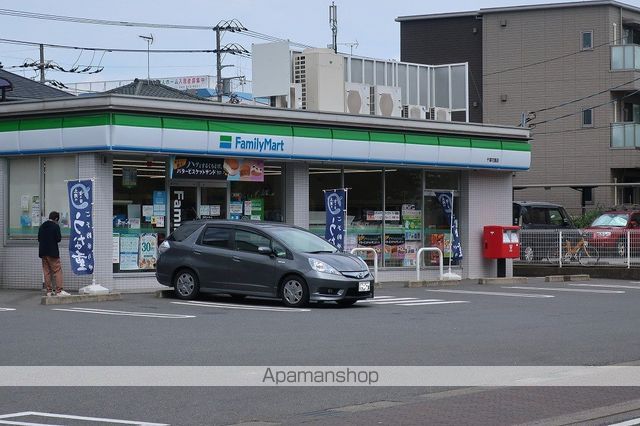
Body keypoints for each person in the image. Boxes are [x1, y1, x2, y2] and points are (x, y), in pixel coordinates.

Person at [38, 211, 69, 296]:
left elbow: (39, 239)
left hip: (43, 252)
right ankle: (59, 291)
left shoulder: (42, 226)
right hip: (52, 252)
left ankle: (48, 291)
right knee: (57, 270)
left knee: (46, 271)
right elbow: (58, 239)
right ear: (56, 219)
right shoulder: (55, 226)